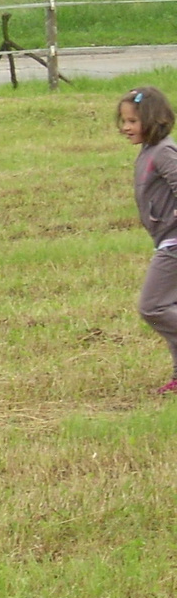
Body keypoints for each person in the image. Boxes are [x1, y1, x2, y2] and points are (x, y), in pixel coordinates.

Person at [119, 86, 177, 396]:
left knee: (153, 307)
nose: (125, 127)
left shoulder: (164, 151)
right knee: (171, 307)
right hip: (166, 239)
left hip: (175, 244)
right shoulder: (149, 152)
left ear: (153, 120)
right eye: (123, 121)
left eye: (132, 121)